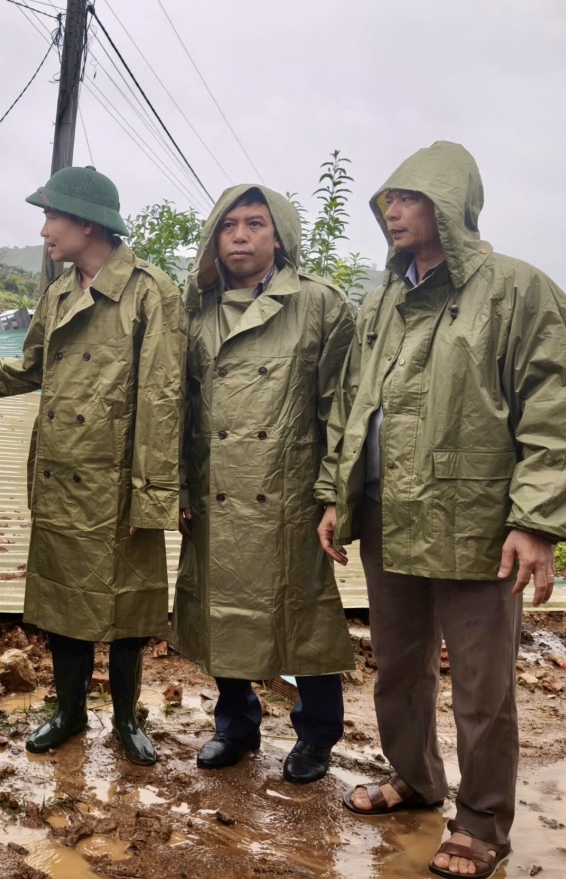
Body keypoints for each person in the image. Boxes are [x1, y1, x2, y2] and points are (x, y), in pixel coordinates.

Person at [318, 141, 566, 879]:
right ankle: (417, 779)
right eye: (388, 200)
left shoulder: (519, 292)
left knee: (484, 688)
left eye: (411, 198)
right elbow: (354, 406)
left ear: (450, 205)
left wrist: (536, 522)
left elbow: (552, 414)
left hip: (477, 523)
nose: (393, 211)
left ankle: (482, 822)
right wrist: (339, 495)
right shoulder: (384, 301)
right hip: (386, 511)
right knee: (398, 666)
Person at [0, 165, 186, 765]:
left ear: (86, 223)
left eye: (51, 217)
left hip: (118, 481)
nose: (45, 230)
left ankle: (126, 718)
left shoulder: (151, 292)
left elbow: (162, 397)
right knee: (62, 605)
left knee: (127, 607)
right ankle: (69, 712)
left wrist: (150, 494)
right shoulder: (56, 293)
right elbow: (30, 369)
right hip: (59, 473)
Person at [172, 185, 355, 783]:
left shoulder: (320, 304)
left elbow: (342, 408)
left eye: (256, 224)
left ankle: (318, 734)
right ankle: (236, 726)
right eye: (229, 226)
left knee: (302, 612)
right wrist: (178, 488)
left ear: (279, 235)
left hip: (290, 491)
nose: (242, 236)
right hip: (217, 488)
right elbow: (178, 407)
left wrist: (332, 494)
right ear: (215, 238)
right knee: (223, 609)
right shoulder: (194, 308)